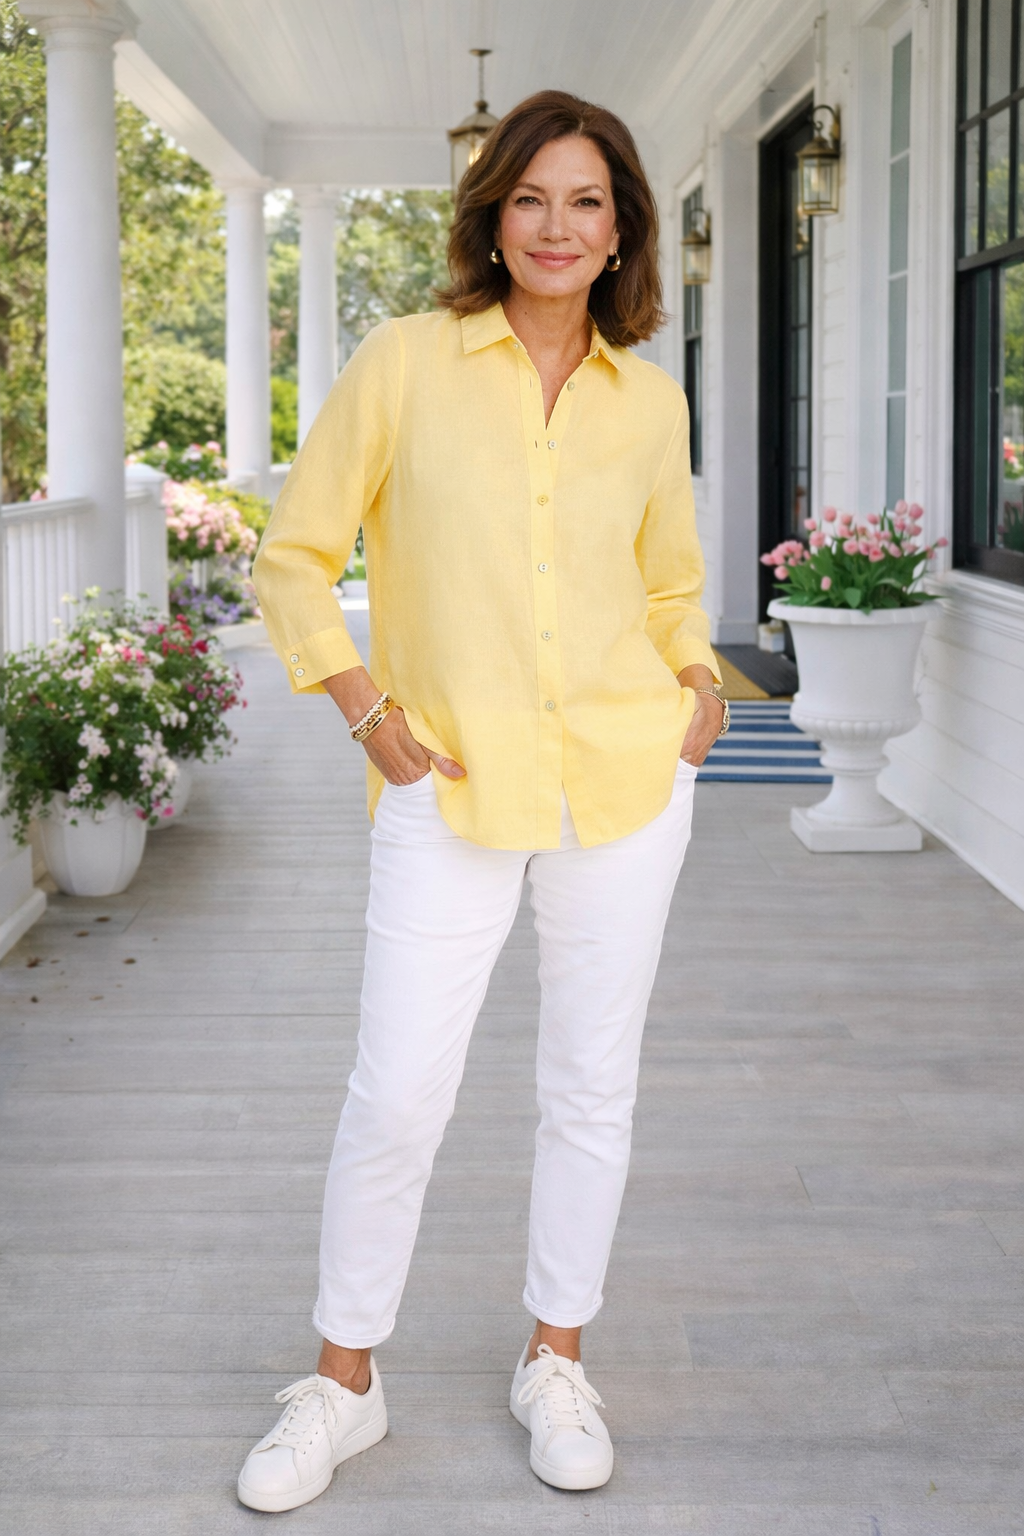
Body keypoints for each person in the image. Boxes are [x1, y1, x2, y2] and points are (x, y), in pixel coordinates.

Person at [237, 89, 727, 1513]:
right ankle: (343, 1386)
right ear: (491, 215)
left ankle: (555, 1359)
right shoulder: (405, 364)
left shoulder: (651, 400)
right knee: (398, 1089)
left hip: (628, 785)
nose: (558, 227)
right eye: (531, 199)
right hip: (442, 785)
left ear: (620, 223)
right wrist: (366, 711)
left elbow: (672, 581)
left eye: (586, 202)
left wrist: (699, 688)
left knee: (591, 1087)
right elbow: (295, 551)